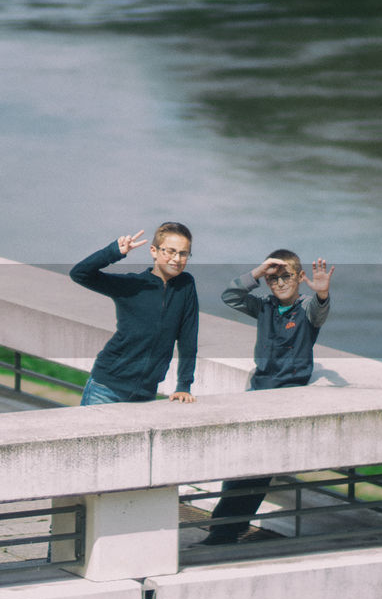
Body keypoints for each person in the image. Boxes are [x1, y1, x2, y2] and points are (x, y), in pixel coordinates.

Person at [201, 250, 334, 545]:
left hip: (285, 398)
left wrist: (323, 294)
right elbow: (230, 296)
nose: (280, 283)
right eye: (273, 279)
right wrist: (258, 272)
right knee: (240, 464)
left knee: (257, 469)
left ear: (300, 278)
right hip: (258, 393)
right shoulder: (264, 307)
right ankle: (223, 527)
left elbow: (320, 312)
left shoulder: (306, 310)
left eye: (286, 276)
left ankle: (226, 530)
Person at [70, 222, 198, 405]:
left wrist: (184, 386)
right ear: (154, 251)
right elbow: (79, 274)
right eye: (170, 251)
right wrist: (114, 252)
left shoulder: (186, 286)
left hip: (145, 395)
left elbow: (188, 338)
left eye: (183, 253)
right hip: (106, 388)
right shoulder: (132, 285)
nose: (176, 259)